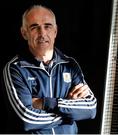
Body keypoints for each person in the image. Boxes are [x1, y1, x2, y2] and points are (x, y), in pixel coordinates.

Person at [2, 4, 97, 134]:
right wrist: (70, 112)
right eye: (34, 27)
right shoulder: (15, 69)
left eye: (48, 26)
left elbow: (90, 108)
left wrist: (45, 103)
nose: (42, 33)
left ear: (55, 31)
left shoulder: (70, 64)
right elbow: (27, 119)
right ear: (24, 33)